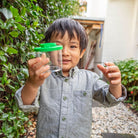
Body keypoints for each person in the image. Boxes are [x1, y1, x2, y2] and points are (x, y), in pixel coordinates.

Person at [15, 18, 127, 138]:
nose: (65, 52)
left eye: (73, 46)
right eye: (57, 46)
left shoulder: (90, 78)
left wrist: (115, 85)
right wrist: (32, 84)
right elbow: (24, 104)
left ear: (82, 52)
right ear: (48, 49)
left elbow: (110, 99)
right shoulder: (42, 78)